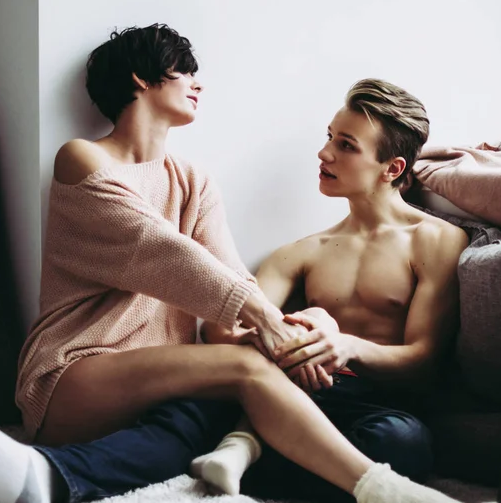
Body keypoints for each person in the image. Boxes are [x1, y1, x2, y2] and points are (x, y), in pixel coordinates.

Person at [0, 25, 463, 503]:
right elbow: (162, 254)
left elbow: (230, 279)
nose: (199, 84)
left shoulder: (194, 179)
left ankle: (47, 477)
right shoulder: (83, 159)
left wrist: (306, 333)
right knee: (244, 368)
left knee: (199, 425)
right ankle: (384, 491)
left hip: (163, 388)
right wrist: (269, 323)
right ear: (141, 78)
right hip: (75, 373)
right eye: (185, 71)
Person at [191, 78, 470, 502]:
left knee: (403, 442)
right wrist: (294, 337)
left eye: (346, 145)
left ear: (392, 169)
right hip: (296, 396)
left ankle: (259, 456)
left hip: (377, 408)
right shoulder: (300, 253)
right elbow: (220, 331)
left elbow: (423, 359)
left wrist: (345, 346)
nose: (324, 154)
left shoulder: (436, 240)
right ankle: (254, 451)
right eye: (329, 138)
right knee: (194, 411)